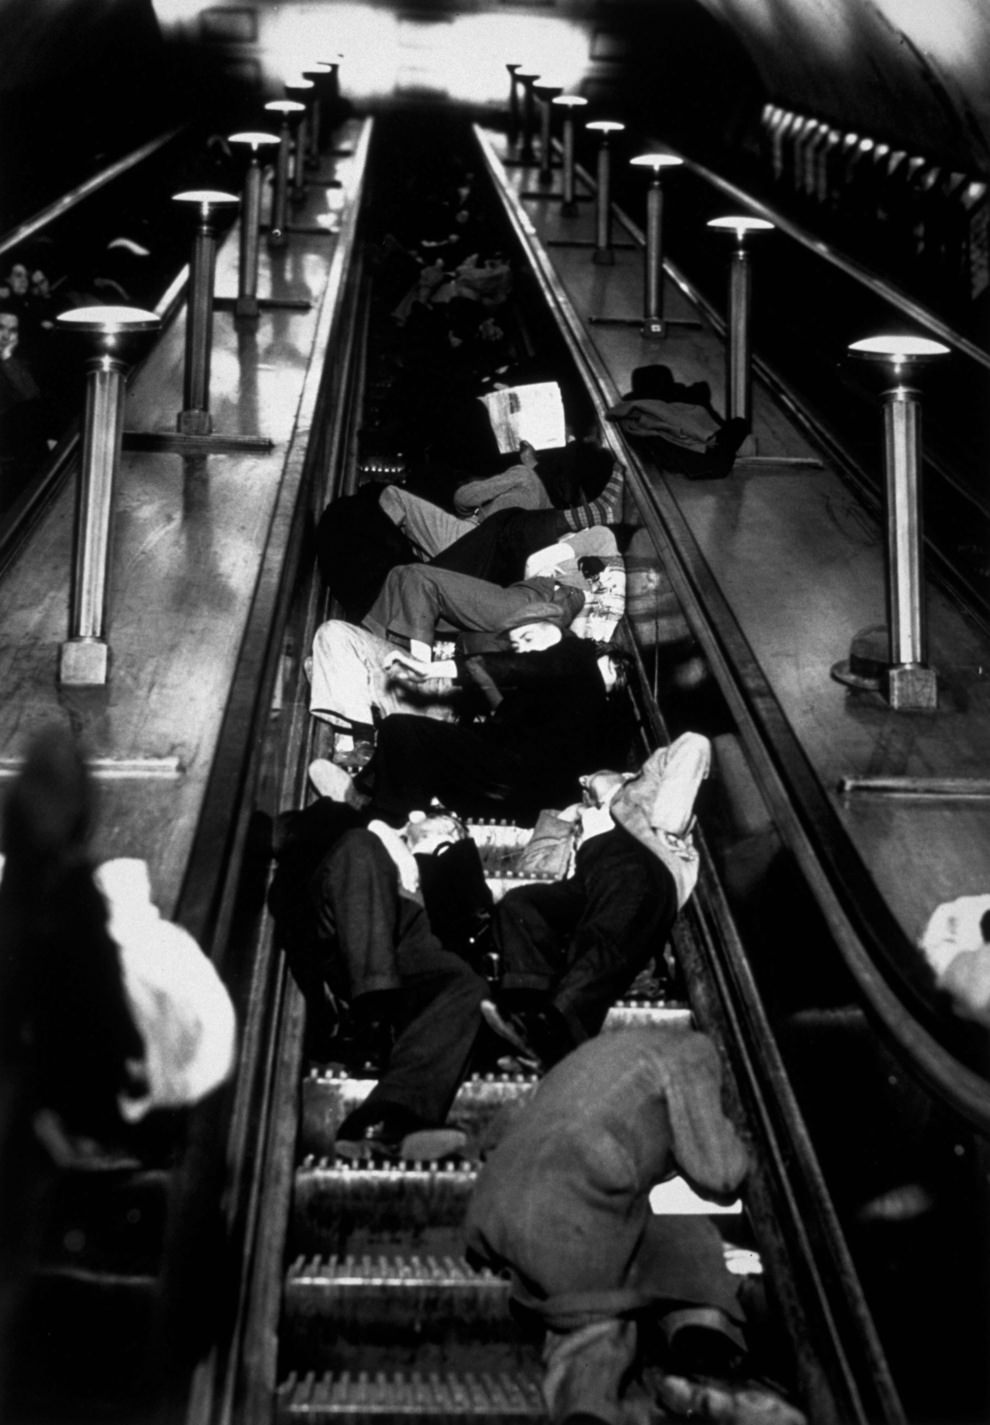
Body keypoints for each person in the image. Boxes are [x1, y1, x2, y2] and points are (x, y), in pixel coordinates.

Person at [465, 1025, 806, 1425]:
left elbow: (493, 1138)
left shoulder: (603, 1052)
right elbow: (720, 1173)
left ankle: (696, 1332)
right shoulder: (693, 1054)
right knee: (602, 1315)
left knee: (676, 1234)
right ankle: (684, 1351)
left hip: (490, 1211)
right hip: (566, 1223)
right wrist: (730, 1128)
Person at [268, 794, 492, 1160]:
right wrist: (380, 831)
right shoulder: (352, 823)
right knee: (362, 847)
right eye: (445, 822)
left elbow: (474, 934)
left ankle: (386, 1117)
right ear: (414, 816)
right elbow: (285, 831)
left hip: (406, 944)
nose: (451, 831)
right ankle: (372, 1018)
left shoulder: (446, 873)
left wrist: (443, 862)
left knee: (468, 986)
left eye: (457, 832)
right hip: (344, 920)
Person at [480, 733, 711, 1073]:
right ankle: (527, 1012)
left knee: (604, 933)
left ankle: (556, 1026)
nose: (582, 780)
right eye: (582, 783)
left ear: (625, 773)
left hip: (641, 861)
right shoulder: (581, 822)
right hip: (587, 881)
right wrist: (564, 820)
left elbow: (695, 744)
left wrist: (665, 826)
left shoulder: (648, 782)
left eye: (589, 775)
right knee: (521, 904)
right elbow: (536, 869)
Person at [313, 616, 631, 828]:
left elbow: (519, 670)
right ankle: (367, 799)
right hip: (508, 777)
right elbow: (517, 680)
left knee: (404, 731)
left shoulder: (580, 665)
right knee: (402, 731)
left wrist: (433, 670)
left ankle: (382, 820)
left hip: (510, 779)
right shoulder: (578, 684)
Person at [363, 563, 585, 660]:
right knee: (407, 576)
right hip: (545, 601)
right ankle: (371, 654)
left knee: (404, 576)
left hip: (548, 604)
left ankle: (374, 663)